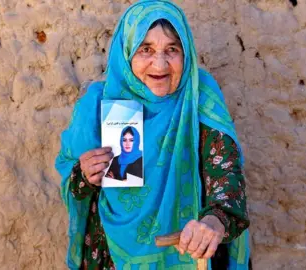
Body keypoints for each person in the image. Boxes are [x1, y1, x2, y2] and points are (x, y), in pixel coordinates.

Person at [55, 0, 250, 269]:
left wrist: (212, 223)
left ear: (186, 54)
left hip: (191, 253)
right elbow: (74, 185)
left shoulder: (198, 97)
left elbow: (227, 177)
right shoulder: (97, 106)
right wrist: (85, 174)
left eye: (172, 49)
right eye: (145, 49)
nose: (160, 63)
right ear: (127, 53)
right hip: (112, 255)